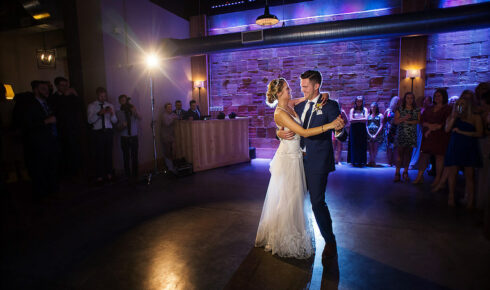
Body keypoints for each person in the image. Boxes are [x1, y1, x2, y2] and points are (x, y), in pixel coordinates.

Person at [272, 70, 345, 261]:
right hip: (294, 160)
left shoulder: (331, 106)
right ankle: (289, 237)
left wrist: (339, 129)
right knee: (291, 200)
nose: (301, 89)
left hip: (317, 162)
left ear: (316, 86)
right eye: (301, 85)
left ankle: (330, 241)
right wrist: (277, 134)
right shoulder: (300, 104)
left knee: (316, 202)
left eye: (305, 86)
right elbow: (281, 117)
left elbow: (342, 135)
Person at [20, 81, 59, 198]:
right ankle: (42, 194)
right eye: (43, 89)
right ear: (35, 90)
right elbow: (26, 125)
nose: (46, 91)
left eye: (47, 89)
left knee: (51, 166)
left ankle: (52, 190)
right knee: (40, 168)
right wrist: (46, 121)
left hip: (51, 139)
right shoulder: (29, 106)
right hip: (38, 143)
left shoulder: (48, 103)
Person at [444, 92, 482, 208]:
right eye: (458, 104)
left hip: (469, 146)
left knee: (469, 175)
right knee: (453, 172)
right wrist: (453, 117)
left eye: (463, 104)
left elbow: (479, 133)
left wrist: (462, 132)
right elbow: (447, 130)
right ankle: (451, 196)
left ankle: (470, 200)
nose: (460, 106)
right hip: (455, 145)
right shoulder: (453, 117)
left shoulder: (475, 117)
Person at [412, 89, 451, 185]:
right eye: (436, 96)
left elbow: (447, 122)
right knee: (424, 155)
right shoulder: (429, 108)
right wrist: (429, 126)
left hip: (440, 135)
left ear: (444, 97)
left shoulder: (448, 108)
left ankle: (438, 178)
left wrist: (435, 127)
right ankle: (419, 176)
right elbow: (422, 120)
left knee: (439, 157)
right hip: (428, 135)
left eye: (439, 96)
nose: (437, 98)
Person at [49, 76, 85, 178]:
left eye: (66, 85)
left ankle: (78, 172)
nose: (65, 87)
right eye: (62, 85)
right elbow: (59, 111)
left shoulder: (71, 96)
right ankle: (68, 174)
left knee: (77, 150)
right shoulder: (54, 98)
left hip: (75, 128)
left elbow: (80, 107)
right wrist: (64, 96)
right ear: (57, 86)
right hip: (62, 130)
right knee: (66, 152)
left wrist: (75, 94)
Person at [87, 87, 118, 184]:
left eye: (105, 96)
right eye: (101, 96)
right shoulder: (92, 106)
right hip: (98, 132)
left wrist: (112, 114)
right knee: (98, 154)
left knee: (109, 154)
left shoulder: (110, 105)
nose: (103, 98)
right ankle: (99, 176)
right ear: (97, 95)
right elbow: (89, 121)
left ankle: (109, 174)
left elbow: (115, 121)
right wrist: (99, 113)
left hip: (108, 131)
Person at [394, 92, 420, 182]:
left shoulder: (416, 109)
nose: (409, 100)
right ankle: (397, 172)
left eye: (411, 98)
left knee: (408, 154)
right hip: (401, 133)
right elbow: (396, 121)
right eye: (408, 98)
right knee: (399, 154)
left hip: (411, 134)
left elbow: (418, 121)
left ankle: (405, 172)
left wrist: (409, 122)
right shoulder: (400, 109)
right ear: (405, 99)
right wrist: (404, 118)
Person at [116, 95, 141, 180]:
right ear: (119, 101)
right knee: (126, 157)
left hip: (134, 136)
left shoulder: (132, 109)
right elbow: (117, 128)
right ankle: (127, 175)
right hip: (124, 137)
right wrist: (122, 126)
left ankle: (135, 174)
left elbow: (140, 118)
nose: (124, 101)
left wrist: (135, 112)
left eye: (125, 100)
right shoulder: (118, 112)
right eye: (122, 100)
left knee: (135, 156)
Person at [348, 96, 368, 167]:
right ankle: (353, 161)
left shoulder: (365, 109)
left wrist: (356, 119)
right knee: (354, 144)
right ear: (355, 102)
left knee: (361, 144)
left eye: (361, 101)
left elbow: (366, 119)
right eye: (358, 101)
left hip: (362, 129)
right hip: (354, 129)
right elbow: (350, 120)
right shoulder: (352, 110)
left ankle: (361, 161)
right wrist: (360, 119)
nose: (359, 102)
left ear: (362, 102)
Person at [161, 103, 178, 173]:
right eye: (168, 108)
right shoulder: (163, 115)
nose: (170, 109)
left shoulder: (173, 114)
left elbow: (178, 117)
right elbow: (167, 123)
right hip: (165, 136)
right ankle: (170, 167)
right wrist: (173, 119)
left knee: (173, 151)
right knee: (167, 152)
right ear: (165, 109)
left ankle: (173, 166)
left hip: (172, 136)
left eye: (171, 107)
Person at [366, 102, 384, 167]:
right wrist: (369, 134)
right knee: (370, 148)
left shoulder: (380, 115)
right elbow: (366, 125)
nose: (373, 108)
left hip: (377, 134)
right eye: (372, 107)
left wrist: (375, 135)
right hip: (369, 134)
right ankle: (371, 161)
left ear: (376, 108)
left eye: (374, 107)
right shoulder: (368, 115)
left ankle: (373, 161)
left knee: (375, 148)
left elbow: (381, 125)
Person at [384, 96, 399, 166]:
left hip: (397, 129)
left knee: (396, 146)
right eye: (396, 102)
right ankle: (389, 162)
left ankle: (395, 162)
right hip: (389, 129)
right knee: (389, 146)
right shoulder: (388, 111)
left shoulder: (400, 111)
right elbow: (384, 120)